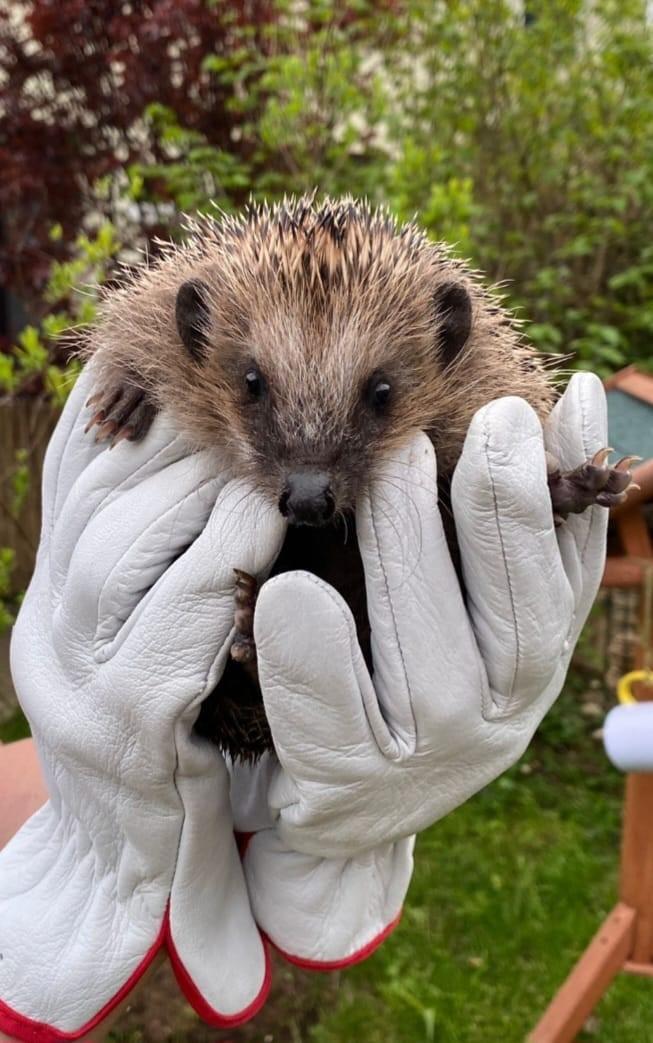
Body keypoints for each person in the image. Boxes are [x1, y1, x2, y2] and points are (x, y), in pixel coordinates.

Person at [0, 367, 610, 1041]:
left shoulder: (435, 383)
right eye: (255, 386)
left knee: (420, 517)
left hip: (338, 606)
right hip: (237, 655)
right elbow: (141, 341)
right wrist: (138, 376)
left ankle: (266, 697)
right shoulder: (197, 345)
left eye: (378, 397)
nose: (310, 480)